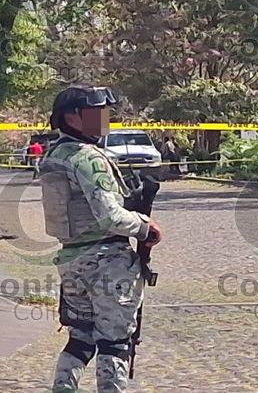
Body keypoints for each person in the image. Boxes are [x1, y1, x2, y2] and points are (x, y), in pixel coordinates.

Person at [39, 85, 162, 392]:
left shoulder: (55, 156)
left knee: (79, 340)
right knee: (114, 344)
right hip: (106, 261)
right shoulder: (86, 158)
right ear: (72, 118)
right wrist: (146, 227)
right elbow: (111, 217)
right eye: (97, 112)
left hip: (71, 260)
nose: (104, 118)